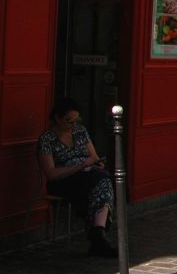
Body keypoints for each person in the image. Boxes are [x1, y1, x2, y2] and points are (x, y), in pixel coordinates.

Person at [37, 97, 117, 257]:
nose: (73, 125)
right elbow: (51, 174)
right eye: (69, 121)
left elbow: (93, 156)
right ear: (57, 119)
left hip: (88, 176)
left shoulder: (80, 132)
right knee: (102, 181)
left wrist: (95, 163)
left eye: (76, 121)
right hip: (64, 180)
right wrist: (79, 166)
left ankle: (98, 233)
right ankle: (98, 232)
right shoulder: (46, 140)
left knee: (102, 178)